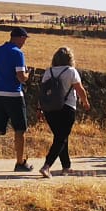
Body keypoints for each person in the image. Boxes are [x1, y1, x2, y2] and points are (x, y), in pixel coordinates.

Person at [0, 27, 32, 173]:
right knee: (20, 129)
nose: (24, 42)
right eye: (24, 39)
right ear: (20, 38)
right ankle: (20, 162)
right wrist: (27, 76)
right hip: (14, 94)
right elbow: (21, 77)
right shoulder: (18, 53)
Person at [36, 47, 90, 178]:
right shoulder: (71, 71)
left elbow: (43, 92)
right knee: (61, 138)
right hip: (67, 108)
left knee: (60, 137)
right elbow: (80, 89)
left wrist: (39, 108)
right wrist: (85, 102)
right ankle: (46, 166)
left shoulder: (49, 72)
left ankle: (66, 166)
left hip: (50, 109)